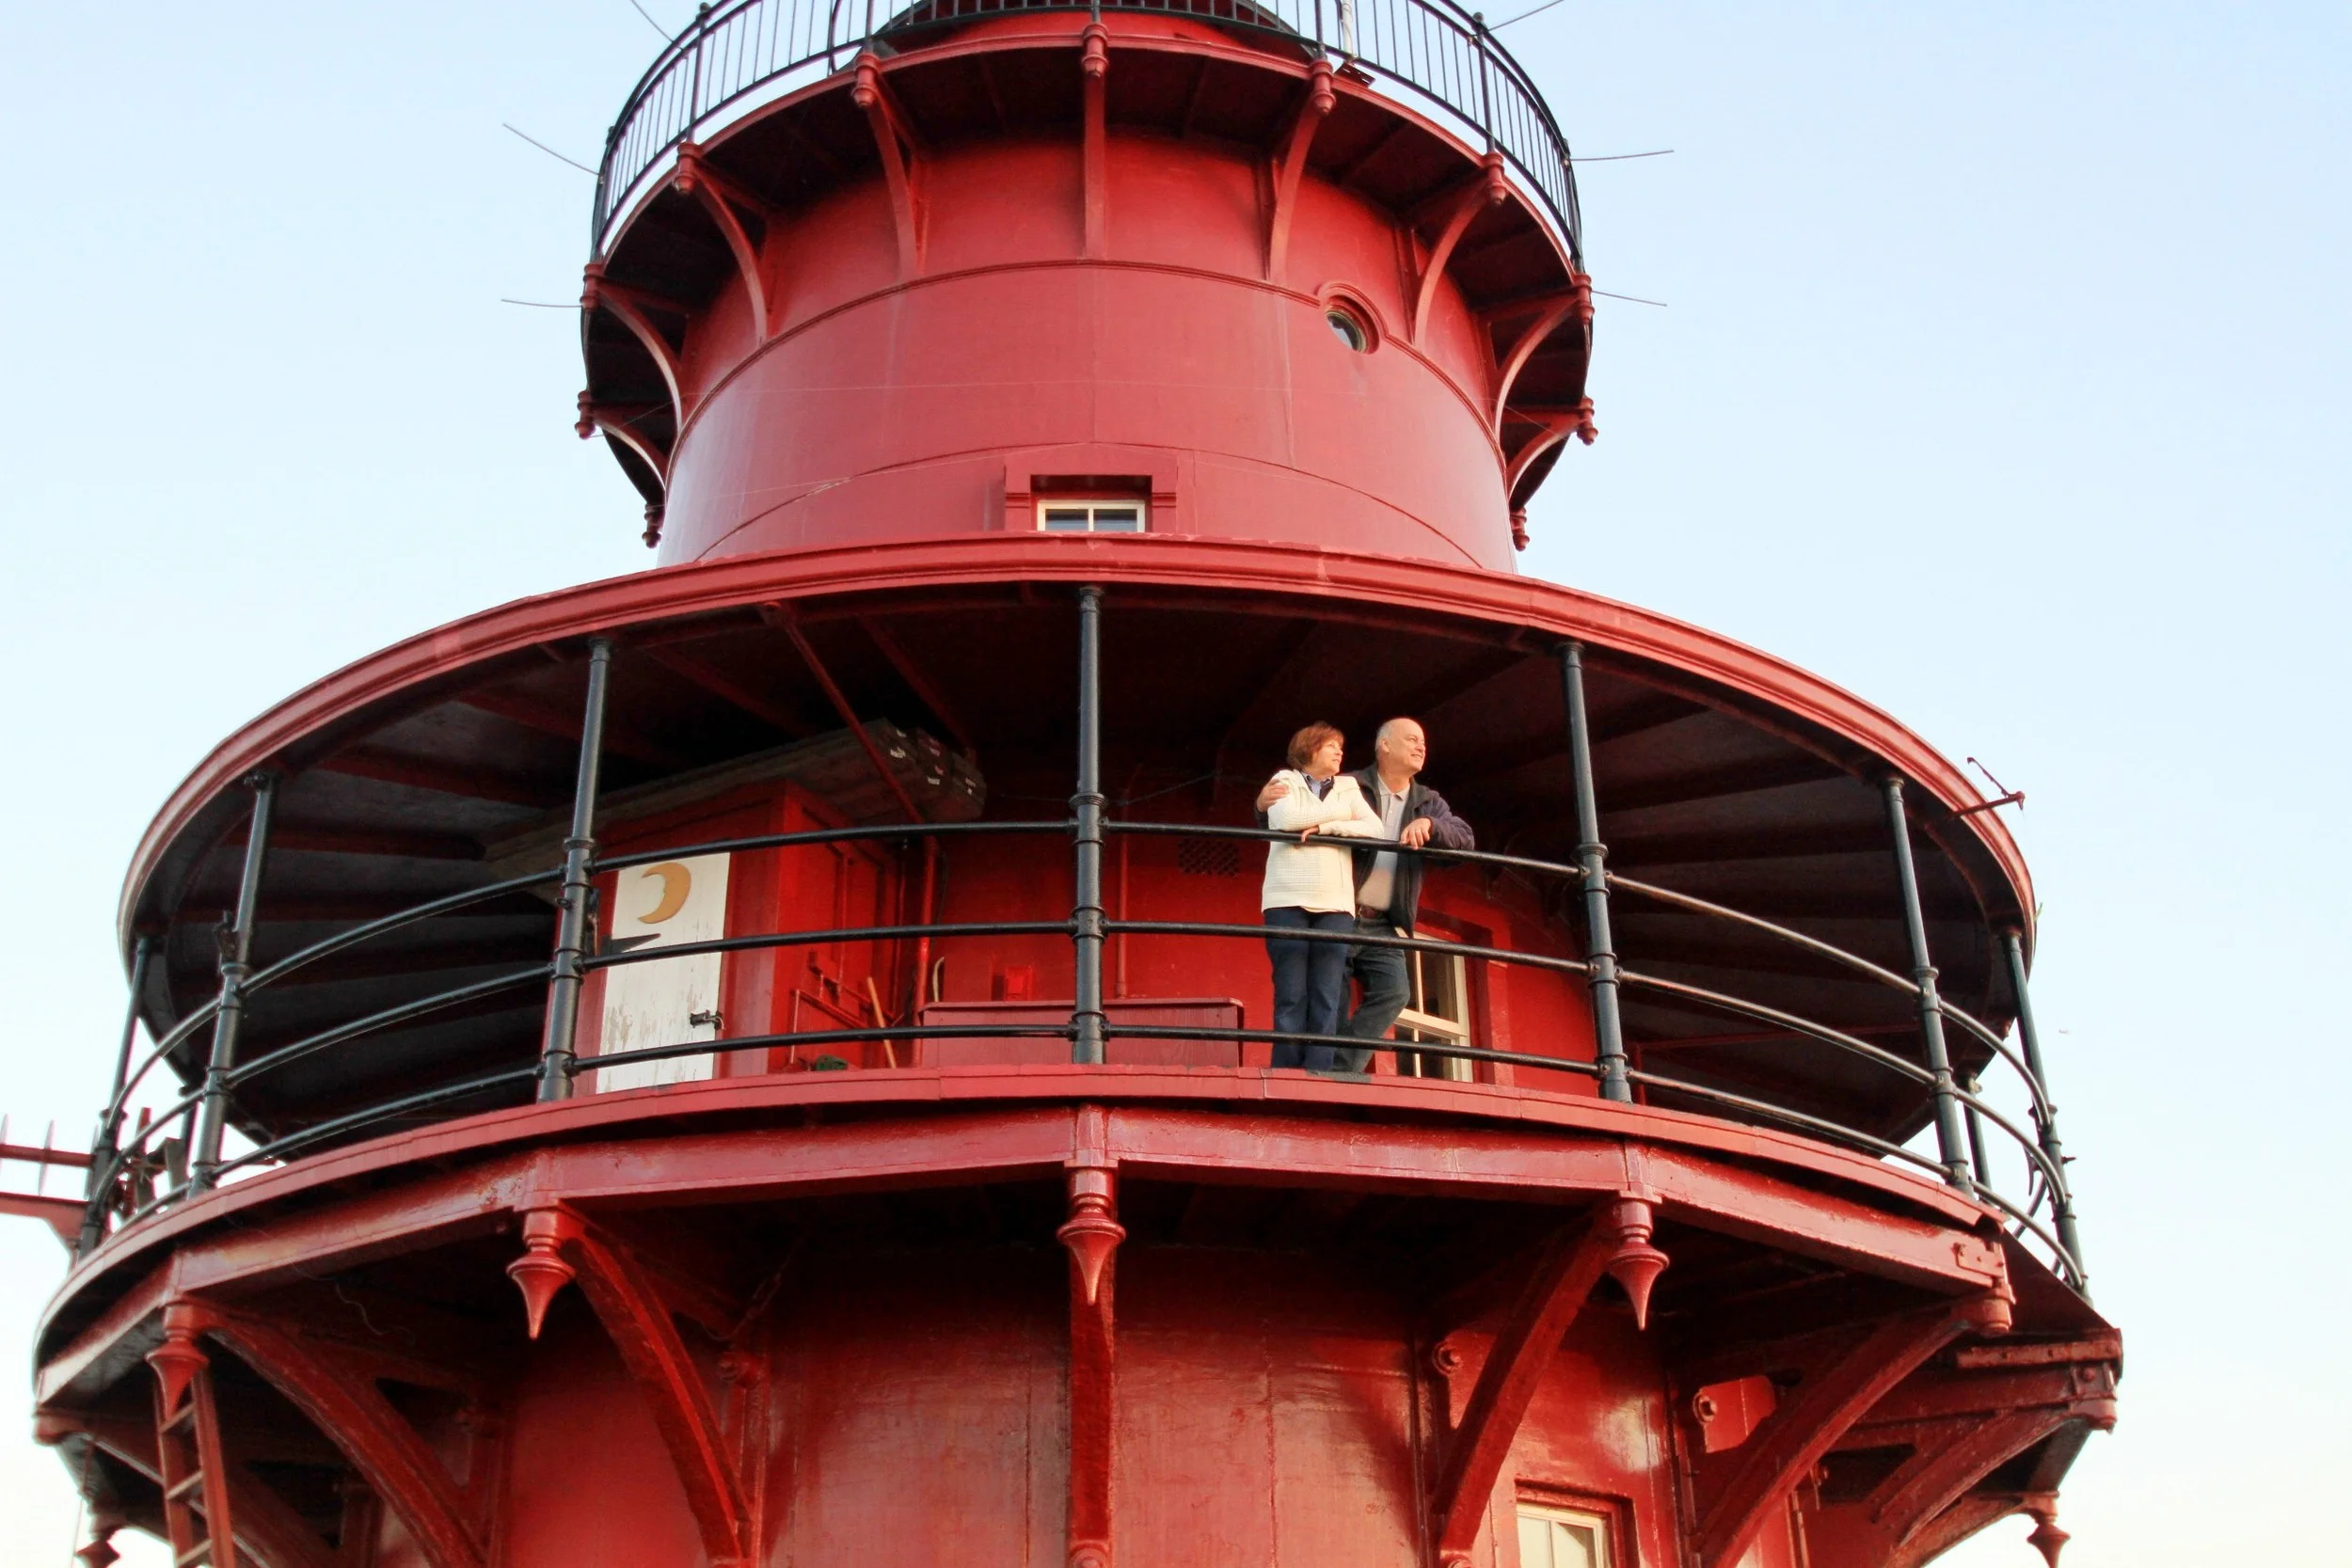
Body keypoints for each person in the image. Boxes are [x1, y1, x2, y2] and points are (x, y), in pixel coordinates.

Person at [1257, 717, 1474, 1072]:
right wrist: (1261, 805)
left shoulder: (1426, 801)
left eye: (1422, 741)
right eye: (1412, 739)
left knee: (1395, 992)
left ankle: (1337, 1069)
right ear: (1385, 745)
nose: (1422, 746)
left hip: (1382, 922)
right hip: (1340, 906)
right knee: (1330, 998)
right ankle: (1312, 1077)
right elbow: (1284, 820)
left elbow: (1464, 837)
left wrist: (1432, 825)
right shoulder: (1348, 784)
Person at [1259, 721, 1385, 1069]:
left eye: (1340, 746)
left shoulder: (1348, 786)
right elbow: (1285, 820)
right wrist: (1343, 813)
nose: (1339, 751)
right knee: (1290, 992)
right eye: (1331, 745)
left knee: (1328, 994)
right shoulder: (1285, 779)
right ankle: (1286, 1071)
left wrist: (1326, 829)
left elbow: (1374, 828)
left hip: (1336, 903)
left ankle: (1319, 1071)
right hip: (1286, 900)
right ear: (1310, 749)